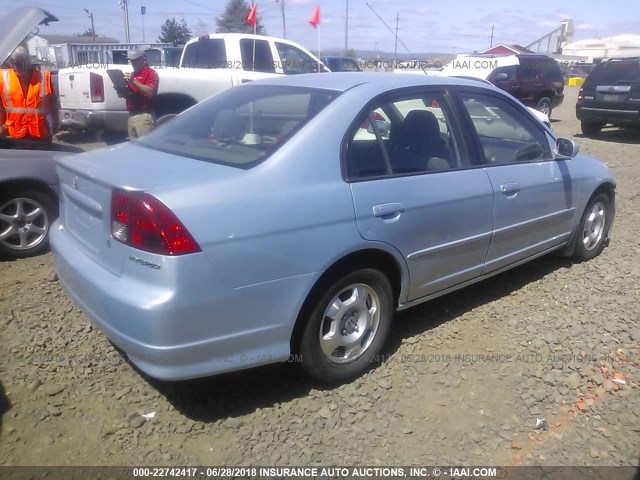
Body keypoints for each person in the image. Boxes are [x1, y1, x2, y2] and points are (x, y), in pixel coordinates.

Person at [0, 45, 58, 142]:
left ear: (27, 62)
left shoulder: (44, 77)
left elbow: (54, 102)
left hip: (41, 133)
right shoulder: (3, 77)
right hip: (14, 133)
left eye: (19, 64)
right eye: (13, 64)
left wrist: (56, 121)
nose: (15, 67)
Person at [124, 50, 159, 139]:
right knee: (134, 147)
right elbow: (130, 93)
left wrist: (134, 81)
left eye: (135, 60)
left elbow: (150, 92)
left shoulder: (151, 73)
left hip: (144, 115)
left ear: (143, 59)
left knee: (146, 147)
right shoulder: (132, 75)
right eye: (131, 61)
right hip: (131, 115)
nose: (133, 63)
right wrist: (121, 90)